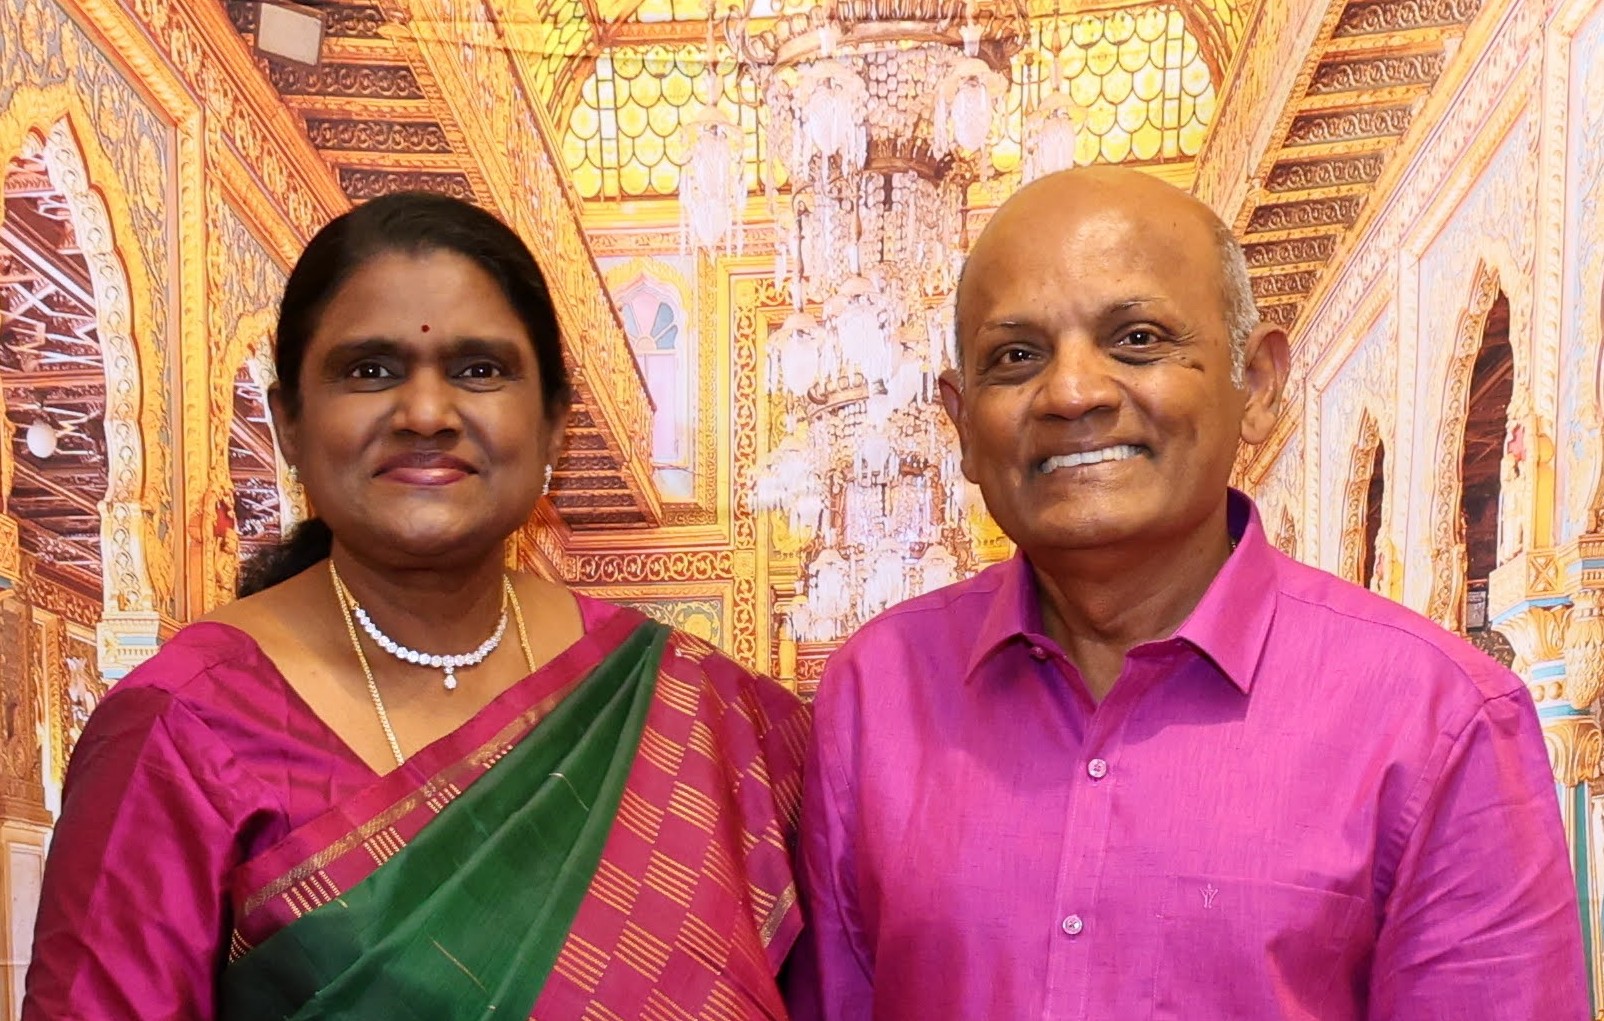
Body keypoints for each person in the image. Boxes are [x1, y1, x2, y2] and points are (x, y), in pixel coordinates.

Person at [786, 167, 1587, 1019]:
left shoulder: (1439, 717)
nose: (1073, 393)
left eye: (1137, 339)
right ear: (962, 424)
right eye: (1016, 357)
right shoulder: (877, 694)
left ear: (1258, 384)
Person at [25, 192, 807, 1019]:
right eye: (370, 369)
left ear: (554, 423)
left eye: (480, 369)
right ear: (289, 421)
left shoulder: (702, 712)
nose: (428, 414)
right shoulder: (182, 726)